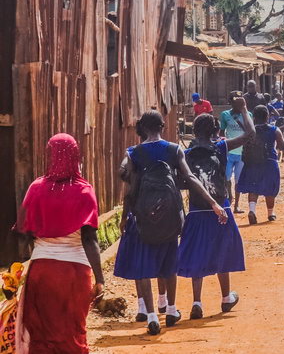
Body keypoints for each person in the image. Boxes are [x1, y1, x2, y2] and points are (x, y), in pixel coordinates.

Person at [114, 110, 227, 335]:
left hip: (142, 215)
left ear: (142, 129)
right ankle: (172, 309)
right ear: (162, 127)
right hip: (171, 215)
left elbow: (126, 180)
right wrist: (213, 202)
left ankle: (152, 315)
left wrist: (126, 215)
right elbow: (190, 177)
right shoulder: (174, 149)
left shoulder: (134, 152)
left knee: (145, 264)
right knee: (169, 262)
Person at [16, 134, 104, 353]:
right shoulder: (85, 191)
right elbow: (89, 239)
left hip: (41, 272)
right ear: (76, 156)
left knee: (41, 336)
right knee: (73, 335)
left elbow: (23, 230)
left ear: (50, 155)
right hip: (75, 273)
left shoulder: (36, 188)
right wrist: (100, 280)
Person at [178, 112, 254, 319]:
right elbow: (250, 133)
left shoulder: (187, 153)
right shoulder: (220, 147)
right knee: (223, 251)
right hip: (222, 208)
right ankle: (226, 297)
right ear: (215, 130)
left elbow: (181, 182)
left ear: (194, 131)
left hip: (196, 209)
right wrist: (245, 108)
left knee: (196, 254)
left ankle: (197, 301)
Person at [237, 105, 284, 224]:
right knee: (270, 189)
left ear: (255, 117)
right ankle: (270, 213)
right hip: (270, 162)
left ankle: (252, 210)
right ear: (267, 116)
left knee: (253, 188)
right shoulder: (274, 130)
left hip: (252, 162)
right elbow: (283, 145)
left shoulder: (250, 131)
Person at [220, 92, 252, 214]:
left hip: (242, 154)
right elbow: (222, 133)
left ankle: (236, 205)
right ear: (231, 102)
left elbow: (251, 132)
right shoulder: (225, 115)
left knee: (238, 180)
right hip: (229, 153)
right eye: (235, 101)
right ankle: (229, 197)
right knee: (226, 178)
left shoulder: (248, 115)